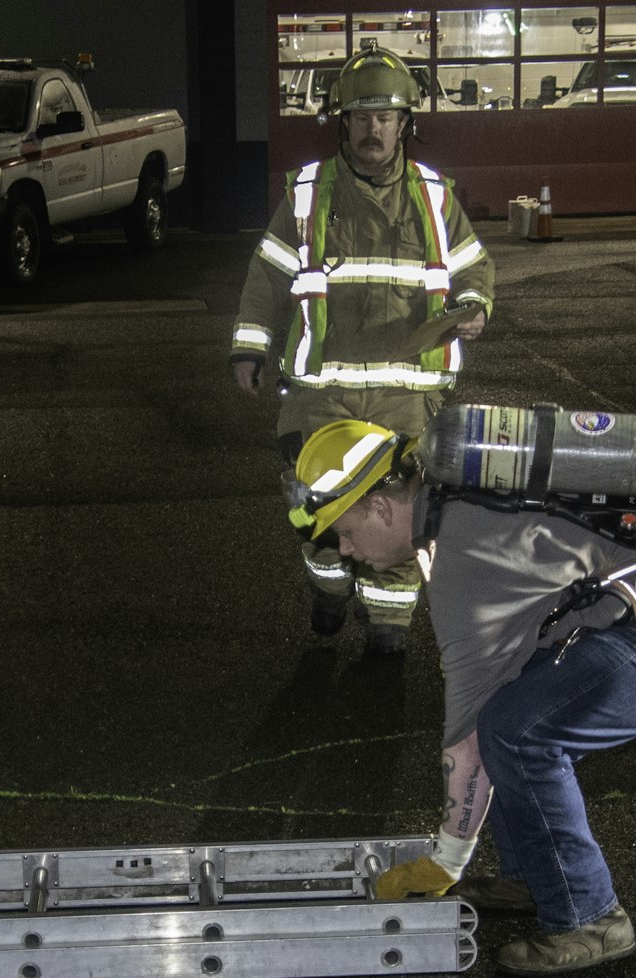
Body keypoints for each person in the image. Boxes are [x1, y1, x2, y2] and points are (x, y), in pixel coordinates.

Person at [286, 418, 636, 976]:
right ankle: (533, 875)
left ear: (382, 509)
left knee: (514, 732)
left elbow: (467, 743)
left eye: (343, 532)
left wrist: (444, 862)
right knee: (509, 711)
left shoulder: (461, 559)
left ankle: (591, 918)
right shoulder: (454, 498)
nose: (345, 550)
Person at [230, 47, 495, 655]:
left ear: (405, 123)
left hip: (407, 398)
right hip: (321, 394)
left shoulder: (434, 196)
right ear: (340, 121)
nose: (373, 128)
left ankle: (389, 628)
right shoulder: (306, 195)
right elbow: (267, 276)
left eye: (385, 116)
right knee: (314, 509)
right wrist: (249, 349)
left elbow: (474, 266)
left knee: (399, 517)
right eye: (360, 116)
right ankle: (329, 586)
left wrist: (476, 303)